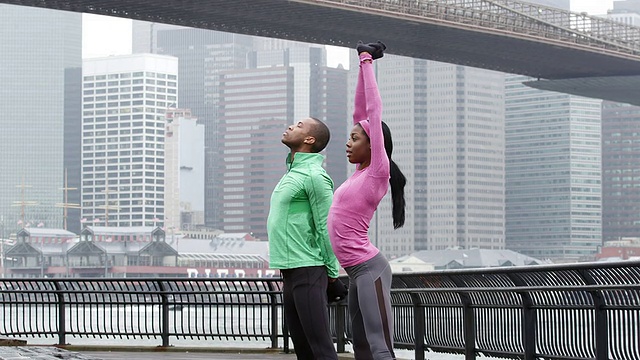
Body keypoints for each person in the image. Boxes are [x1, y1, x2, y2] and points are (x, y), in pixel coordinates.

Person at [328, 41, 407, 360]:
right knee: (359, 342)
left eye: (355, 138)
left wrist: (366, 61)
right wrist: (362, 61)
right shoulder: (359, 173)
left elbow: (372, 112)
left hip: (370, 268)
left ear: (373, 143)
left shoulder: (377, 170)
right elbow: (360, 112)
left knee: (379, 344)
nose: (347, 143)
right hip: (355, 271)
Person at [267, 117, 341, 360]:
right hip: (290, 269)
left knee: (320, 348)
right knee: (303, 348)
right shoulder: (293, 173)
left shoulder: (314, 176)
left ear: (310, 140)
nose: (291, 126)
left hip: (309, 268)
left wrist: (332, 274)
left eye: (299, 126)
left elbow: (326, 226)